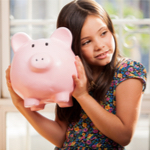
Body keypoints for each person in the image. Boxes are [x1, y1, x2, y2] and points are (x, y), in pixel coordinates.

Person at [6, 0, 147, 149]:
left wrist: (83, 96)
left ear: (112, 30)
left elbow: (124, 136)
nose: (100, 45)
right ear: (71, 46)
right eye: (86, 42)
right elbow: (61, 137)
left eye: (104, 33)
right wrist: (20, 105)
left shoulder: (128, 71)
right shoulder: (69, 73)